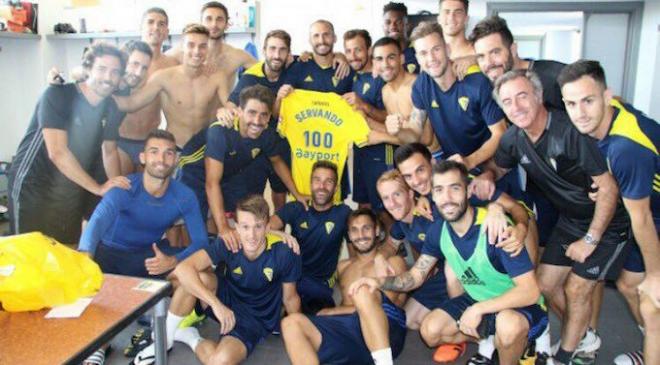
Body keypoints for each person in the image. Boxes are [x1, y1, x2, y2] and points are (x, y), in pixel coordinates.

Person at [490, 69, 630, 365]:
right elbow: (498, 169)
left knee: (577, 288)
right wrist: (484, 180)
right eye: (507, 102)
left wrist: (590, 240)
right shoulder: (513, 138)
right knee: (544, 286)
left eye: (522, 96)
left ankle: (563, 357)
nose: (516, 107)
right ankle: (582, 336)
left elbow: (607, 188)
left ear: (539, 97)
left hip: (609, 222)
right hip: (571, 220)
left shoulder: (570, 132)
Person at [351, 160, 547, 365]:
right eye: (439, 190)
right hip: (478, 298)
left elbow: (530, 291)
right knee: (430, 331)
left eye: (454, 188)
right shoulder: (438, 231)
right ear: (432, 196)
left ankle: (523, 343)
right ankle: (492, 339)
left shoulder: (495, 228)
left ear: (467, 191)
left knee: (508, 327)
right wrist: (379, 283)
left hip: (517, 304)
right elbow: (415, 276)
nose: (447, 198)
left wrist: (478, 310)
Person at [558, 60, 660, 365]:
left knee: (652, 302)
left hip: (650, 214)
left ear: (606, 97)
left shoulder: (625, 148)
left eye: (588, 100)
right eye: (572, 104)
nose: (580, 112)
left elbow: (639, 217)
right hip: (652, 210)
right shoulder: (604, 122)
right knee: (629, 284)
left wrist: (655, 276)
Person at [78, 129, 208, 365]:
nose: (162, 159)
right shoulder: (124, 188)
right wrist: (84, 258)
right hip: (110, 256)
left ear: (176, 160)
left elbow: (201, 242)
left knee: (199, 275)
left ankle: (165, 335)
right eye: (154, 152)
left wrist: (174, 261)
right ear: (143, 157)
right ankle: (99, 345)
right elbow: (95, 225)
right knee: (104, 304)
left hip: (149, 258)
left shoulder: (184, 195)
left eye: (169, 153)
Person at [133, 195, 302, 365]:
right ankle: (165, 339)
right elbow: (183, 269)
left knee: (219, 362)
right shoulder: (230, 242)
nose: (251, 235)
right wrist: (216, 304)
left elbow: (290, 298)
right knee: (192, 277)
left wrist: (299, 334)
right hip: (226, 297)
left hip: (255, 318)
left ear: (267, 228)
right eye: (245, 227)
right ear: (236, 227)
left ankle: (191, 337)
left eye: (258, 227)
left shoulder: (284, 253)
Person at [8, 42, 130, 244]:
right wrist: (98, 188)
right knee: (28, 253)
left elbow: (109, 151)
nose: (108, 77)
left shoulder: (111, 108)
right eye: (102, 69)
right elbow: (57, 152)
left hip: (70, 185)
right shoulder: (57, 95)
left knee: (64, 250)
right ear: (88, 69)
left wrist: (115, 186)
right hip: (34, 184)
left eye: (115, 72)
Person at [113, 23, 229, 220]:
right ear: (182, 47)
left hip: (203, 151)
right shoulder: (164, 77)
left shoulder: (217, 76)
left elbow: (230, 105)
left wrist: (227, 110)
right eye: (191, 45)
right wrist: (97, 90)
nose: (196, 51)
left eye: (202, 46)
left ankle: (201, 249)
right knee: (171, 215)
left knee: (204, 210)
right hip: (174, 150)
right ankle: (174, 249)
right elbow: (132, 103)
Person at [281, 208, 408, 365]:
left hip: (385, 331)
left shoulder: (393, 262)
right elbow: (344, 305)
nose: (360, 235)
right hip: (350, 331)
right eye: (354, 230)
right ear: (348, 235)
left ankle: (384, 362)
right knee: (291, 323)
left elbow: (385, 303)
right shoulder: (343, 266)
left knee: (362, 290)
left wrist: (332, 311)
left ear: (377, 231)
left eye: (366, 228)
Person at [390, 21, 507, 171]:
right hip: (457, 168)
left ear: (447, 49)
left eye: (436, 49)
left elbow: (500, 132)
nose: (431, 58)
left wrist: (470, 161)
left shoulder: (477, 82)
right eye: (423, 53)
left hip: (494, 166)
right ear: (418, 58)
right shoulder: (421, 85)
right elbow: (415, 134)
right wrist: (399, 131)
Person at [205, 85, 305, 250]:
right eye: (252, 113)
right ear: (240, 110)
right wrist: (223, 228)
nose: (257, 121)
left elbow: (277, 162)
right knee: (208, 232)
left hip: (230, 170)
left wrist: (297, 194)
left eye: (263, 115)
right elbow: (211, 183)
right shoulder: (220, 131)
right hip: (198, 172)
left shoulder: (266, 133)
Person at [216, 29, 294, 210]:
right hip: (257, 143)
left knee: (280, 191)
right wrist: (223, 111)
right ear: (264, 50)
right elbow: (231, 104)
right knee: (252, 195)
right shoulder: (251, 76)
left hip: (282, 143)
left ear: (289, 53)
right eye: (272, 49)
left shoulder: (294, 70)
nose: (277, 55)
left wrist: (340, 56)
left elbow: (316, 58)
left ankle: (278, 226)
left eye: (282, 50)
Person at [270, 160, 352, 314]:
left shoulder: (343, 213)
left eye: (328, 182)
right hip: (292, 278)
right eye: (317, 180)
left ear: (336, 188)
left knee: (320, 323)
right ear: (310, 184)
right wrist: (282, 235)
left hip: (320, 285)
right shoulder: (296, 208)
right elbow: (264, 229)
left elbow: (356, 253)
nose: (322, 186)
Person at [117, 8, 179, 174]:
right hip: (120, 140)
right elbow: (94, 73)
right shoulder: (124, 57)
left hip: (150, 142)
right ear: (141, 27)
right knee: (121, 192)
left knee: (147, 195)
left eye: (161, 24)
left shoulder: (172, 64)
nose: (156, 27)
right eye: (150, 22)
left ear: (167, 31)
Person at [342, 29, 395, 223]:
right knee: (363, 207)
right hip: (360, 153)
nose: (353, 56)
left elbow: (392, 119)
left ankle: (394, 251)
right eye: (348, 51)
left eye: (358, 50)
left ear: (369, 50)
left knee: (386, 210)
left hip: (383, 153)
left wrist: (364, 106)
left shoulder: (383, 77)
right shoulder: (354, 76)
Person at [469, 15, 566, 111]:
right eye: (481, 57)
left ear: (513, 50)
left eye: (495, 52)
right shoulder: (488, 86)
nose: (488, 63)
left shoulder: (556, 76)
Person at [167, 1, 257, 98]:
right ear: (201, 23)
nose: (214, 24)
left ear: (227, 24)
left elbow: (267, 73)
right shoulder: (181, 52)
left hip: (224, 111)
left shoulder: (237, 56)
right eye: (209, 19)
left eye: (219, 19)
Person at [381, 2, 419, 74]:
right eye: (388, 22)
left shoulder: (419, 50)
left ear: (408, 25)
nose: (393, 27)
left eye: (398, 22)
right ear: (383, 27)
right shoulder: (378, 54)